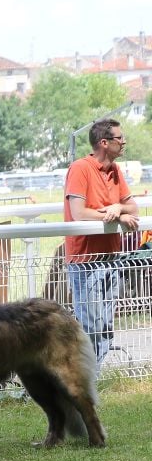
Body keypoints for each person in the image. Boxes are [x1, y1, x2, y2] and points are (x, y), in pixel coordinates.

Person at [64, 118, 140, 369]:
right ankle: (78, 380)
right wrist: (116, 214)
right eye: (120, 138)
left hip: (111, 259)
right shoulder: (80, 168)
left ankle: (88, 380)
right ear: (104, 143)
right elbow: (78, 213)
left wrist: (118, 207)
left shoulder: (116, 171)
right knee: (90, 327)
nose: (124, 142)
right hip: (85, 262)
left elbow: (133, 207)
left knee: (105, 329)